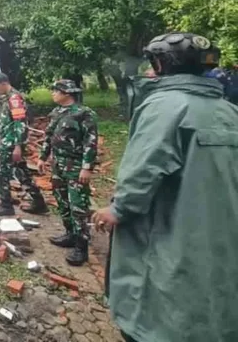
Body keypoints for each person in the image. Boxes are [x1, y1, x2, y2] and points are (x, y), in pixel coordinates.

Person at [92, 33, 238, 342]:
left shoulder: (164, 106)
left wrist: (118, 209)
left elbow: (144, 168)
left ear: (163, 64)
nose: (148, 69)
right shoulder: (229, 111)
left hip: (169, 233)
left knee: (155, 307)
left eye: (152, 62)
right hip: (219, 235)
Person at [37, 80, 98, 266]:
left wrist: (87, 167)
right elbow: (49, 136)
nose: (53, 94)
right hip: (58, 165)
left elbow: (91, 141)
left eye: (56, 91)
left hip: (76, 166)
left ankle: (81, 247)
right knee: (62, 200)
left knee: (78, 205)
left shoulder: (84, 113)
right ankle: (70, 234)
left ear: (67, 93)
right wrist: (42, 157)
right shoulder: (56, 112)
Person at [0, 72, 47, 216]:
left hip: (11, 144)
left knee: (0, 173)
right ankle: (39, 202)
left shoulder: (14, 99)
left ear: (4, 84)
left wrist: (17, 146)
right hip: (11, 142)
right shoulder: (10, 98)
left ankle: (5, 205)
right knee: (21, 172)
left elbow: (20, 123)